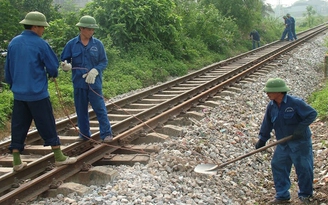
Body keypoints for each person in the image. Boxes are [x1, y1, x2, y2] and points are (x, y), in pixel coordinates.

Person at [4, 11, 77, 171]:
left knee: (18, 125)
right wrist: (53, 73)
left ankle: (16, 162)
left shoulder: (13, 43)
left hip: (19, 94)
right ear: (35, 26)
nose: (43, 30)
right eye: (42, 27)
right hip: (37, 93)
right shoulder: (40, 44)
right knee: (46, 123)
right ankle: (59, 157)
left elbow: (7, 70)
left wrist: (13, 85)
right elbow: (52, 66)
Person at [255, 78, 317, 204]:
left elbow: (312, 114)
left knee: (304, 168)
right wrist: (262, 139)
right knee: (278, 165)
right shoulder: (271, 106)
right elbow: (267, 123)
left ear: (279, 92)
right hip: (283, 143)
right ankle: (282, 195)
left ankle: (306, 195)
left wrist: (300, 128)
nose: (267, 94)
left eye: (270, 92)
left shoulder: (295, 103)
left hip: (300, 143)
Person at [60, 15, 113, 142]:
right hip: (79, 83)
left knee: (99, 108)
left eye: (92, 30)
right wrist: (66, 65)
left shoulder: (98, 44)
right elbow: (64, 59)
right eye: (89, 29)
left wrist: (95, 70)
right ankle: (84, 134)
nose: (91, 32)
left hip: (94, 83)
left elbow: (103, 61)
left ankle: (106, 134)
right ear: (81, 28)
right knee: (81, 109)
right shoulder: (72, 44)